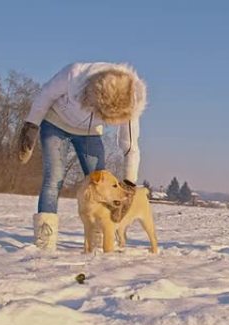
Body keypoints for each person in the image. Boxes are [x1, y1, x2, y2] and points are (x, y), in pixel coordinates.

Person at [17, 62, 147, 250]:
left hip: (90, 132)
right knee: (54, 178)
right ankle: (45, 239)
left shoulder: (130, 99)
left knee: (100, 179)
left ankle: (96, 236)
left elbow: (130, 146)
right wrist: (31, 126)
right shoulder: (74, 74)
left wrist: (129, 184)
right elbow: (45, 96)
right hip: (56, 122)